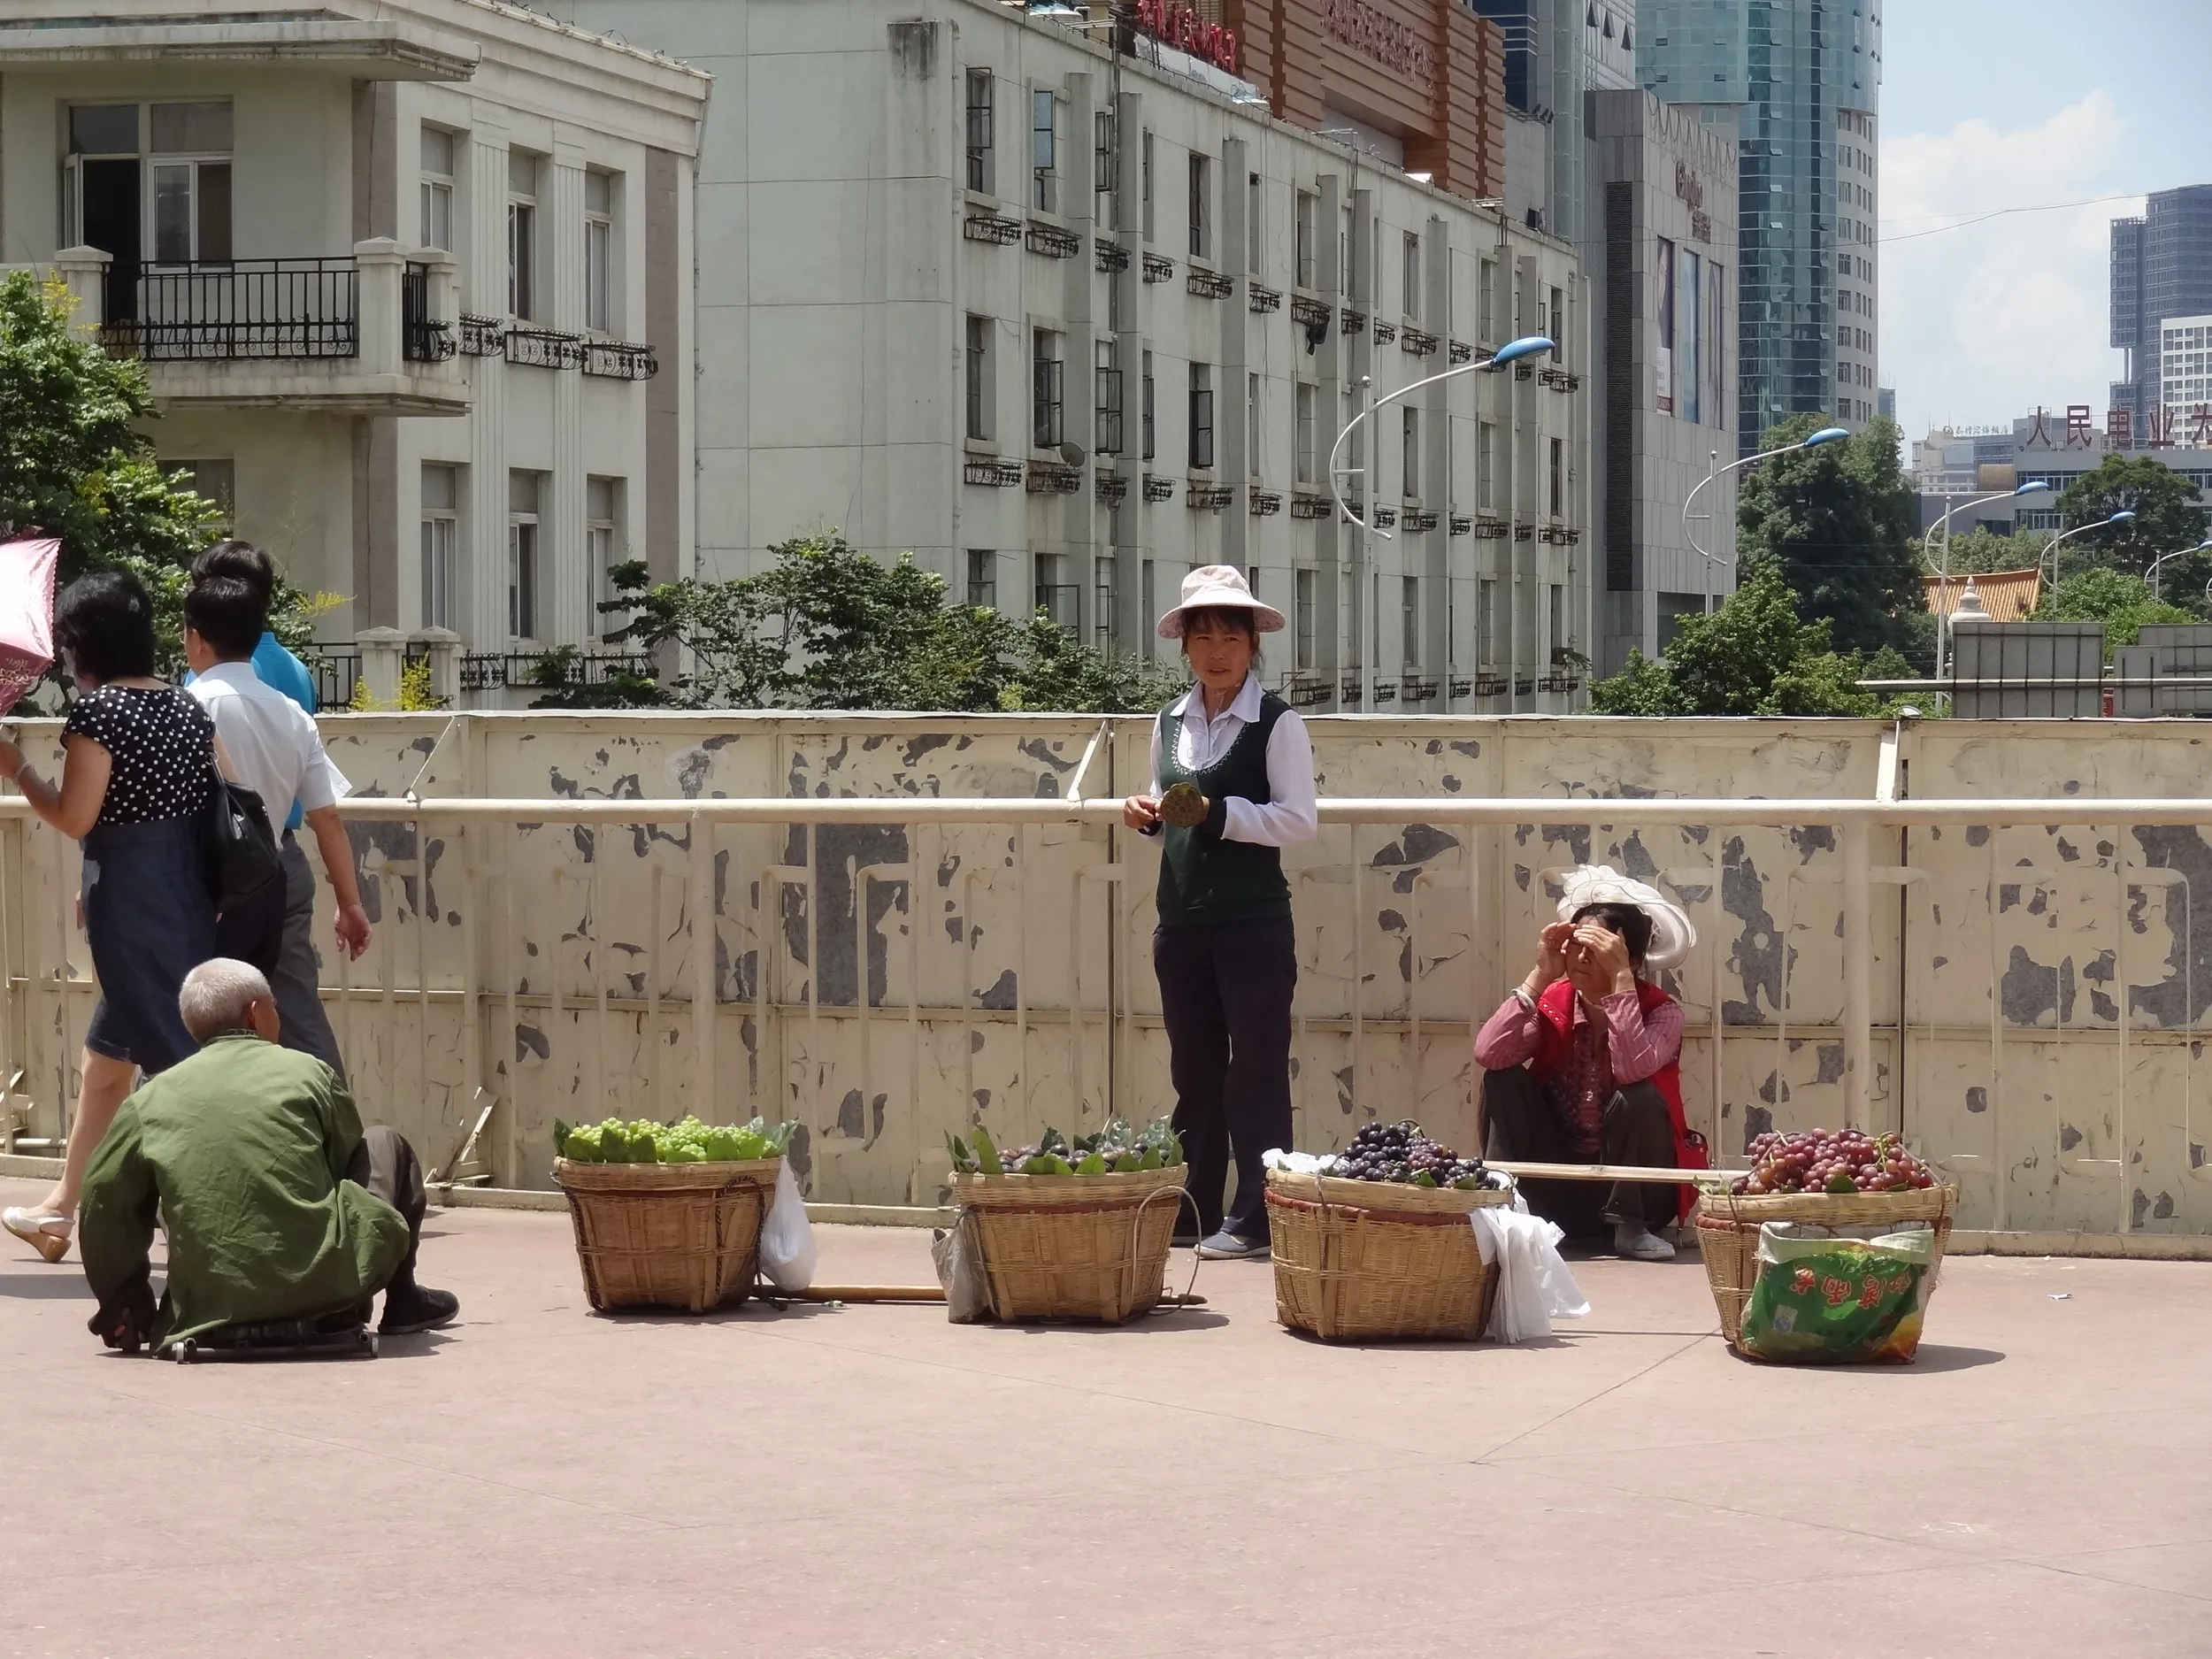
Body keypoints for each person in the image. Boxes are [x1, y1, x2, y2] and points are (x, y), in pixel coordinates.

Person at [0, 572, 226, 1263]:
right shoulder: (187, 707)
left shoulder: (100, 714)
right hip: (185, 895)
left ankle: (208, 1218)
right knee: (107, 1061)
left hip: (129, 903)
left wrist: (16, 767)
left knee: (173, 1061)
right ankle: (61, 1209)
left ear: (82, 644)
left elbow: (75, 816)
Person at [78, 957, 458, 1353]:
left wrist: (126, 1303)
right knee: (383, 1142)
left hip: (204, 1310)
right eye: (274, 1006)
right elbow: (344, 1161)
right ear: (255, 1013)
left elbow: (101, 1199)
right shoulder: (308, 1072)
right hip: (328, 1292)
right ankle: (403, 1300)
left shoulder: (150, 1099)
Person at [1122, 566, 1317, 1260]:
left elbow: (1298, 819)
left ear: (1252, 644)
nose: (1216, 651)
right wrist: (1147, 815)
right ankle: (1195, 1206)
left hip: (1252, 921)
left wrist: (1218, 813)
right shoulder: (1169, 720)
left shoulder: (1276, 722)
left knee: (1256, 1070)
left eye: (1230, 636)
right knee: (1194, 1070)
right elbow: (1167, 806)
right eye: (1202, 636)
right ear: (1185, 646)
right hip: (1181, 920)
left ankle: (1259, 1216)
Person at [186, 540, 365, 1076]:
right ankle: (333, 1121)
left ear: (197, 635)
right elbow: (326, 815)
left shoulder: (189, 703)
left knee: (192, 1017)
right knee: (292, 1013)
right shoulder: (293, 702)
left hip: (204, 880)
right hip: (277, 869)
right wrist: (351, 902)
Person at [1475, 866, 1704, 1262]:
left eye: (1598, 949)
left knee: (1638, 1096)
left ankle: (1629, 1230)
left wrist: (1620, 981)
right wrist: (1540, 975)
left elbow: (1632, 1070)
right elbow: (1488, 1052)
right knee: (1502, 1080)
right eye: (1577, 945)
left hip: (1638, 1195)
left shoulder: (1661, 1013)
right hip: (1560, 1188)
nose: (1581, 957)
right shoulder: (1555, 1003)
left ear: (1632, 960)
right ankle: (1506, 1209)